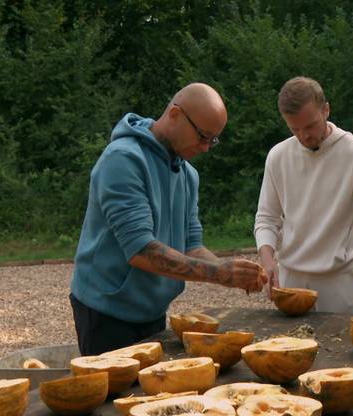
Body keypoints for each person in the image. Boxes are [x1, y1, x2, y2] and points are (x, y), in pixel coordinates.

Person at [70, 83, 266, 356]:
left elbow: (191, 245)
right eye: (202, 136)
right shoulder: (123, 160)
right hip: (106, 311)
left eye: (213, 140)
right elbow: (141, 252)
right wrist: (219, 274)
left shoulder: (188, 174)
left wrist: (231, 271)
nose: (206, 148)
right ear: (175, 114)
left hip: (152, 310)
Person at [254, 76, 353, 314]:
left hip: (339, 282)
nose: (303, 136)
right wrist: (268, 260)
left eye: (310, 126)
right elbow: (267, 218)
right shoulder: (278, 156)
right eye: (294, 129)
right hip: (291, 280)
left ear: (326, 110)